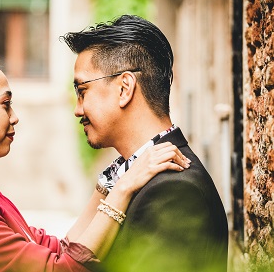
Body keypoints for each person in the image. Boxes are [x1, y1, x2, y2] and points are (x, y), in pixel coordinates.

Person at [0, 53, 190, 271]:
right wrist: (123, 189)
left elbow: (60, 250)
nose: (14, 116)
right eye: (5, 104)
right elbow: (61, 269)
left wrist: (107, 185)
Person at [61, 14, 229, 272]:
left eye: (82, 92)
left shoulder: (175, 190)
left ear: (124, 88)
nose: (77, 109)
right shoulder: (131, 176)